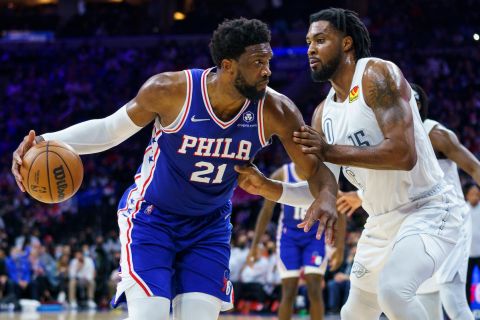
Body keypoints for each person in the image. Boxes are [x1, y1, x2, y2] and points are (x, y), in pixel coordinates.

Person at [11, 18, 338, 320]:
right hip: (151, 221)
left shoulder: (277, 110)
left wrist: (321, 195)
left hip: (209, 229)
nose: (267, 71)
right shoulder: (170, 91)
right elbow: (109, 130)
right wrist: (42, 140)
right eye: (257, 63)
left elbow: (318, 175)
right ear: (227, 66)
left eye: (268, 62)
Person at [234, 8, 464, 320]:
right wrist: (268, 187)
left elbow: (403, 154)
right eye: (308, 42)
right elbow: (325, 192)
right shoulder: (322, 113)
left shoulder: (376, 74)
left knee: (394, 292)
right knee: (354, 313)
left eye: (320, 40)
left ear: (346, 43)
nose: (311, 49)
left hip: (429, 208)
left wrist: (329, 151)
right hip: (382, 221)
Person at [338, 83, 480, 320]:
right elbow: (399, 185)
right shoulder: (390, 139)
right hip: (416, 222)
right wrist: (360, 196)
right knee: (420, 297)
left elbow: (474, 168)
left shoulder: (435, 133)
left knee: (452, 298)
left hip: (447, 219)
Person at [247, 162, 345, 320]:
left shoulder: (325, 173)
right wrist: (255, 245)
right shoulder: (282, 174)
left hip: (315, 238)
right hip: (288, 238)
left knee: (314, 288)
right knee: (289, 291)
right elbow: (266, 211)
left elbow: (340, 208)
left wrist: (339, 247)